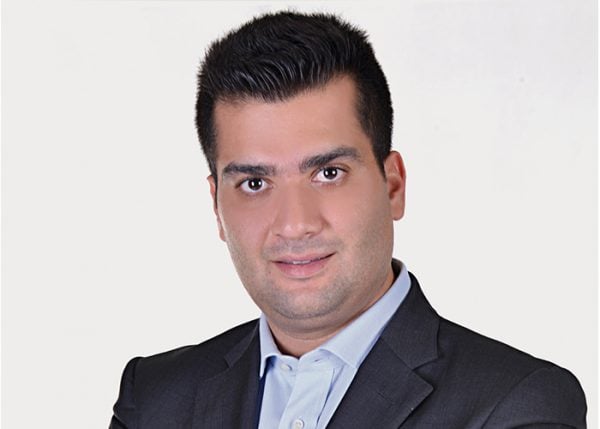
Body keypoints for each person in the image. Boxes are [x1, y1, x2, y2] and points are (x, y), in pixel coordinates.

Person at [109, 11, 587, 429]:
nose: (295, 224)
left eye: (328, 173)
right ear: (217, 206)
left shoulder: (516, 405)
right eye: (254, 183)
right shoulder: (152, 399)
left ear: (393, 186)